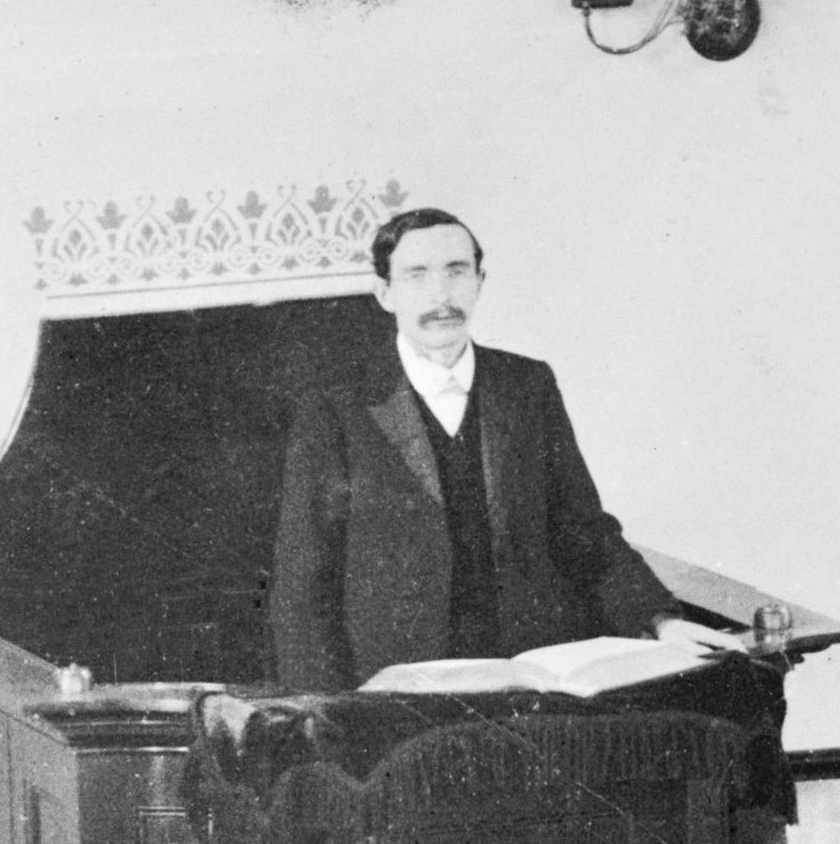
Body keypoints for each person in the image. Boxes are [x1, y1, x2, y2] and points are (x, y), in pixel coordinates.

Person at [268, 205, 678, 689]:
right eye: (417, 276)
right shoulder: (334, 407)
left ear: (480, 281)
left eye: (456, 272)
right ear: (384, 293)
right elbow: (303, 581)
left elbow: (584, 529)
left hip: (530, 674)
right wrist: (326, 711)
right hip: (397, 689)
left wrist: (662, 619)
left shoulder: (527, 385)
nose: (441, 295)